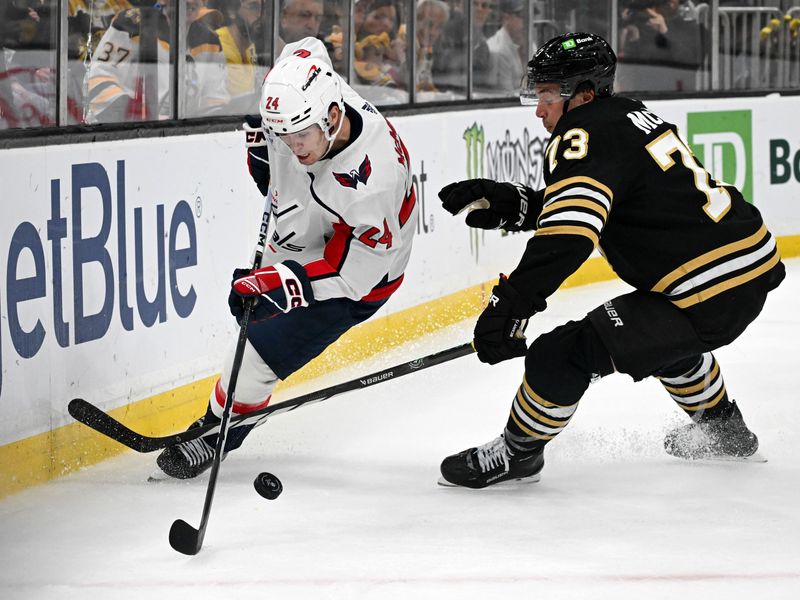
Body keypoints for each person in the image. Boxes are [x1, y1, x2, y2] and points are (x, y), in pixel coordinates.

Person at [437, 32, 785, 489]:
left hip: (707, 288)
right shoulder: (629, 115)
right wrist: (520, 204)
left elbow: (570, 235)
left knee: (559, 355)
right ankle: (725, 431)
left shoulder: (580, 133)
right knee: (664, 340)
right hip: (744, 266)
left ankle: (518, 453)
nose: (539, 108)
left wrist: (513, 304)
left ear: (582, 94)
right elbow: (617, 199)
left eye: (546, 95)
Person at [156, 36, 418, 479]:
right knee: (254, 318)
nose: (292, 146)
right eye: (285, 135)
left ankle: (217, 436)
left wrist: (281, 284)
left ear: (333, 119)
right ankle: (226, 413)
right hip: (312, 223)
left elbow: (350, 274)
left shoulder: (370, 186)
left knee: (258, 354)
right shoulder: (311, 86)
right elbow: (306, 44)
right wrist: (266, 135)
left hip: (362, 271)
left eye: (300, 136)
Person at [617, 0, 705, 92]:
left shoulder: (691, 28)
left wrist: (664, 31)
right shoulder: (641, 25)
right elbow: (626, 70)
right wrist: (632, 39)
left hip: (677, 95)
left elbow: (690, 61)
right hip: (641, 94)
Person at [486, 0, 527, 93]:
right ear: (506, 18)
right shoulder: (498, 50)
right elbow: (507, 97)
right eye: (522, 16)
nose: (527, 21)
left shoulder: (529, 41)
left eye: (530, 16)